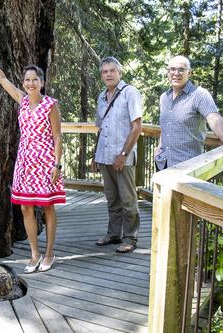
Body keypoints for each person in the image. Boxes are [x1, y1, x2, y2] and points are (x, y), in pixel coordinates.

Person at [0, 37, 65, 273]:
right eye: (27, 80)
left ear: (42, 82)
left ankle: (49, 253)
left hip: (46, 159)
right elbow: (2, 79)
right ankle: (34, 254)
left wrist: (57, 165)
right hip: (25, 161)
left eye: (34, 80)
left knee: (47, 207)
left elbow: (58, 136)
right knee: (26, 207)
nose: (30, 83)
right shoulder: (22, 100)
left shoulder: (51, 105)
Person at [92, 57, 142, 253]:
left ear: (119, 73)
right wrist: (96, 154)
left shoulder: (130, 93)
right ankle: (114, 234)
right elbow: (100, 128)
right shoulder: (102, 96)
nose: (109, 74)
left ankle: (130, 237)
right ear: (101, 75)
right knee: (112, 198)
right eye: (105, 71)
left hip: (123, 158)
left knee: (128, 199)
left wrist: (123, 154)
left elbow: (137, 127)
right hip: (105, 156)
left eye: (112, 70)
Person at [155, 55, 223, 170]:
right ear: (168, 72)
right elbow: (166, 126)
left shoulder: (199, 94)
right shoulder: (164, 98)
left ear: (189, 73)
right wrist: (159, 147)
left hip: (187, 165)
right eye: (172, 69)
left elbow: (213, 117)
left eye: (181, 69)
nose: (176, 73)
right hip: (163, 162)